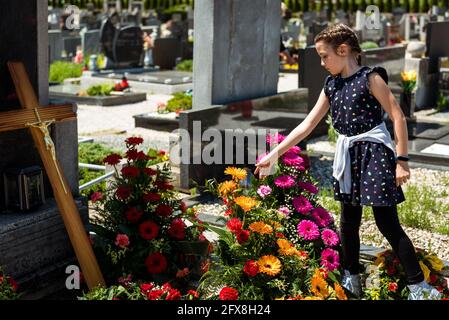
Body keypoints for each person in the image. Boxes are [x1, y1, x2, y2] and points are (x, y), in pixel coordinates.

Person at [255, 23, 441, 300]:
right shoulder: (332, 85)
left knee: (387, 223)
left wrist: (401, 160)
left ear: (343, 50)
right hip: (349, 156)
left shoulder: (370, 78)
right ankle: (351, 276)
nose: (321, 63)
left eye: (324, 55)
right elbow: (307, 125)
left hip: (374, 154)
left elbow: (397, 115)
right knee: (348, 222)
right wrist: (275, 154)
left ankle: (419, 286)